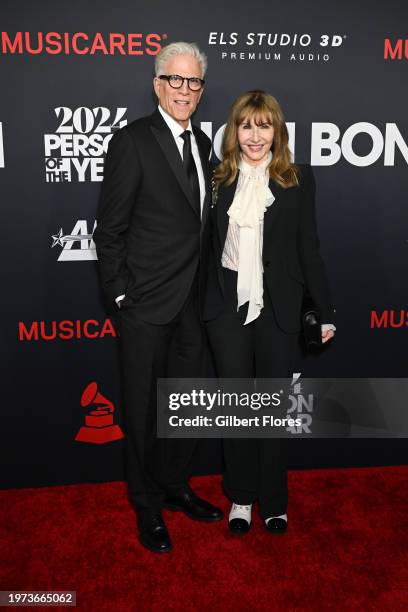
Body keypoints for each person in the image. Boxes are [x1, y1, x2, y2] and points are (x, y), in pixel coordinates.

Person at [93, 42, 222, 554]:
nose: (184, 91)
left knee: (185, 406)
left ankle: (174, 487)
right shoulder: (133, 141)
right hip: (145, 304)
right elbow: (110, 230)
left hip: (193, 302)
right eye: (175, 80)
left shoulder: (204, 143)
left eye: (194, 83)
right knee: (145, 410)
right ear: (157, 84)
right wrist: (120, 294)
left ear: (201, 90)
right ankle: (147, 506)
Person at [203, 90, 335, 535]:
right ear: (233, 130)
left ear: (277, 130)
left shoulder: (298, 178)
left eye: (264, 126)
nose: (255, 136)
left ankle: (274, 500)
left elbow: (308, 249)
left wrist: (324, 310)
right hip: (226, 308)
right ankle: (241, 496)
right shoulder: (216, 177)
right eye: (246, 125)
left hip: (278, 307)